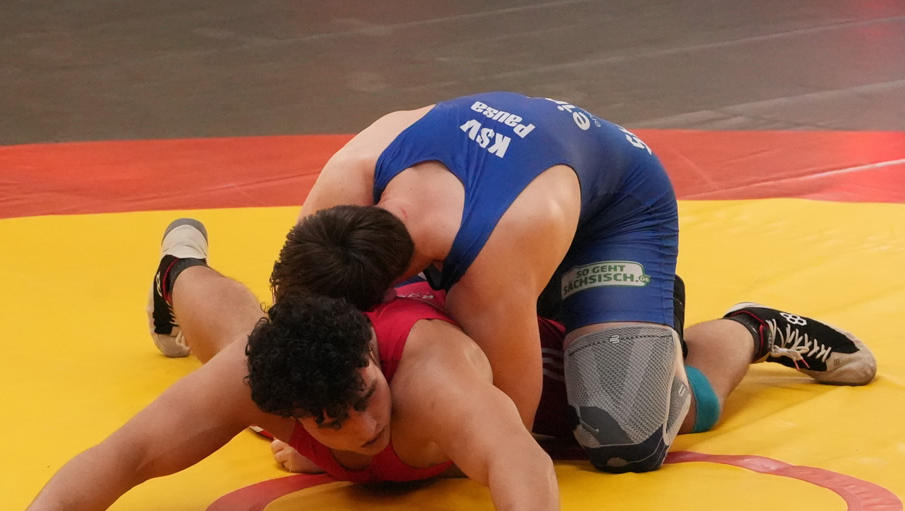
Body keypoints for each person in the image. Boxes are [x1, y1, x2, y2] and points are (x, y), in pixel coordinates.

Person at [0, 218, 577, 511]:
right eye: (331, 422)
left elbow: (514, 452)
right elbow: (130, 452)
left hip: (491, 321)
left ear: (373, 358)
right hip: (283, 357)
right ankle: (177, 269)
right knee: (241, 337)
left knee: (594, 404)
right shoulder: (254, 378)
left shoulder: (429, 374)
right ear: (286, 411)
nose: (366, 426)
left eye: (366, 396)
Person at [269, 91, 878, 474]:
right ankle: (593, 326)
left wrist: (360, 458)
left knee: (622, 436)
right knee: (419, 357)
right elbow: (299, 326)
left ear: (398, 280)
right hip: (523, 191)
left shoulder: (490, 262)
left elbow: (513, 419)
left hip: (614, 208)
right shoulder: (345, 185)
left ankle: (749, 330)